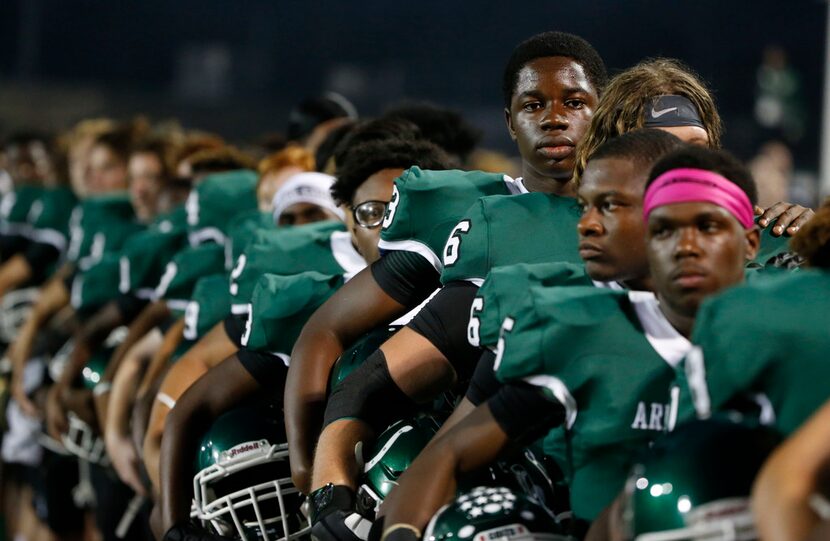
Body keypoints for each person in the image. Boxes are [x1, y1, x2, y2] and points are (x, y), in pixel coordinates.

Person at [378, 144, 764, 539]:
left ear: (750, 242)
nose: (686, 246)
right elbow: (448, 454)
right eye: (666, 229)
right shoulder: (579, 329)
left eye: (707, 227)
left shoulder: (793, 331)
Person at [287, 31, 608, 504]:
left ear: (604, 110)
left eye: (574, 102)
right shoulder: (478, 213)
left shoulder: (652, 226)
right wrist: (311, 474)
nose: (555, 118)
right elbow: (329, 333)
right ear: (510, 121)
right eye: (534, 104)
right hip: (496, 473)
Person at [154, 136, 452, 541]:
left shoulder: (469, 292)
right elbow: (192, 407)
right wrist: (173, 526)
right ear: (348, 224)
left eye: (404, 209)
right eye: (372, 212)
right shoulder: (311, 301)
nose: (390, 224)